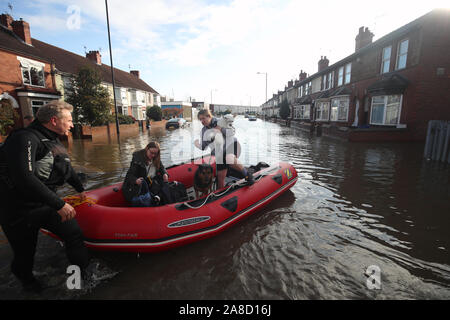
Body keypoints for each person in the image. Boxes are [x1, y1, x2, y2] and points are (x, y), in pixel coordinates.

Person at [0, 100, 90, 292]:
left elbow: (66, 167)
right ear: (54, 120)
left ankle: (80, 279)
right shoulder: (24, 139)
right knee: (25, 254)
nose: (73, 124)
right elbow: (23, 177)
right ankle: (27, 283)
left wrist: (80, 188)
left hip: (44, 204)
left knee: (73, 234)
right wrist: (59, 204)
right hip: (18, 210)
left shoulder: (53, 140)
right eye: (69, 120)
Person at [194, 109, 254, 189]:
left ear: (209, 116)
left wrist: (221, 129)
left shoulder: (221, 121)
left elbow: (232, 132)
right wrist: (197, 144)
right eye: (200, 119)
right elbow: (203, 147)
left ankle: (247, 175)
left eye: (203, 118)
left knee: (229, 158)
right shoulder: (203, 131)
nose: (202, 121)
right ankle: (220, 195)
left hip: (232, 145)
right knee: (220, 178)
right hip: (220, 153)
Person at [122, 141, 169, 206]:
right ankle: (156, 200)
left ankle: (158, 199)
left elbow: (162, 168)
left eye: (155, 153)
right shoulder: (137, 159)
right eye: (151, 153)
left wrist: (165, 174)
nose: (153, 155)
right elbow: (129, 175)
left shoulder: (156, 158)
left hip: (151, 182)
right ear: (147, 149)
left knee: (166, 186)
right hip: (140, 185)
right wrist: (136, 180)